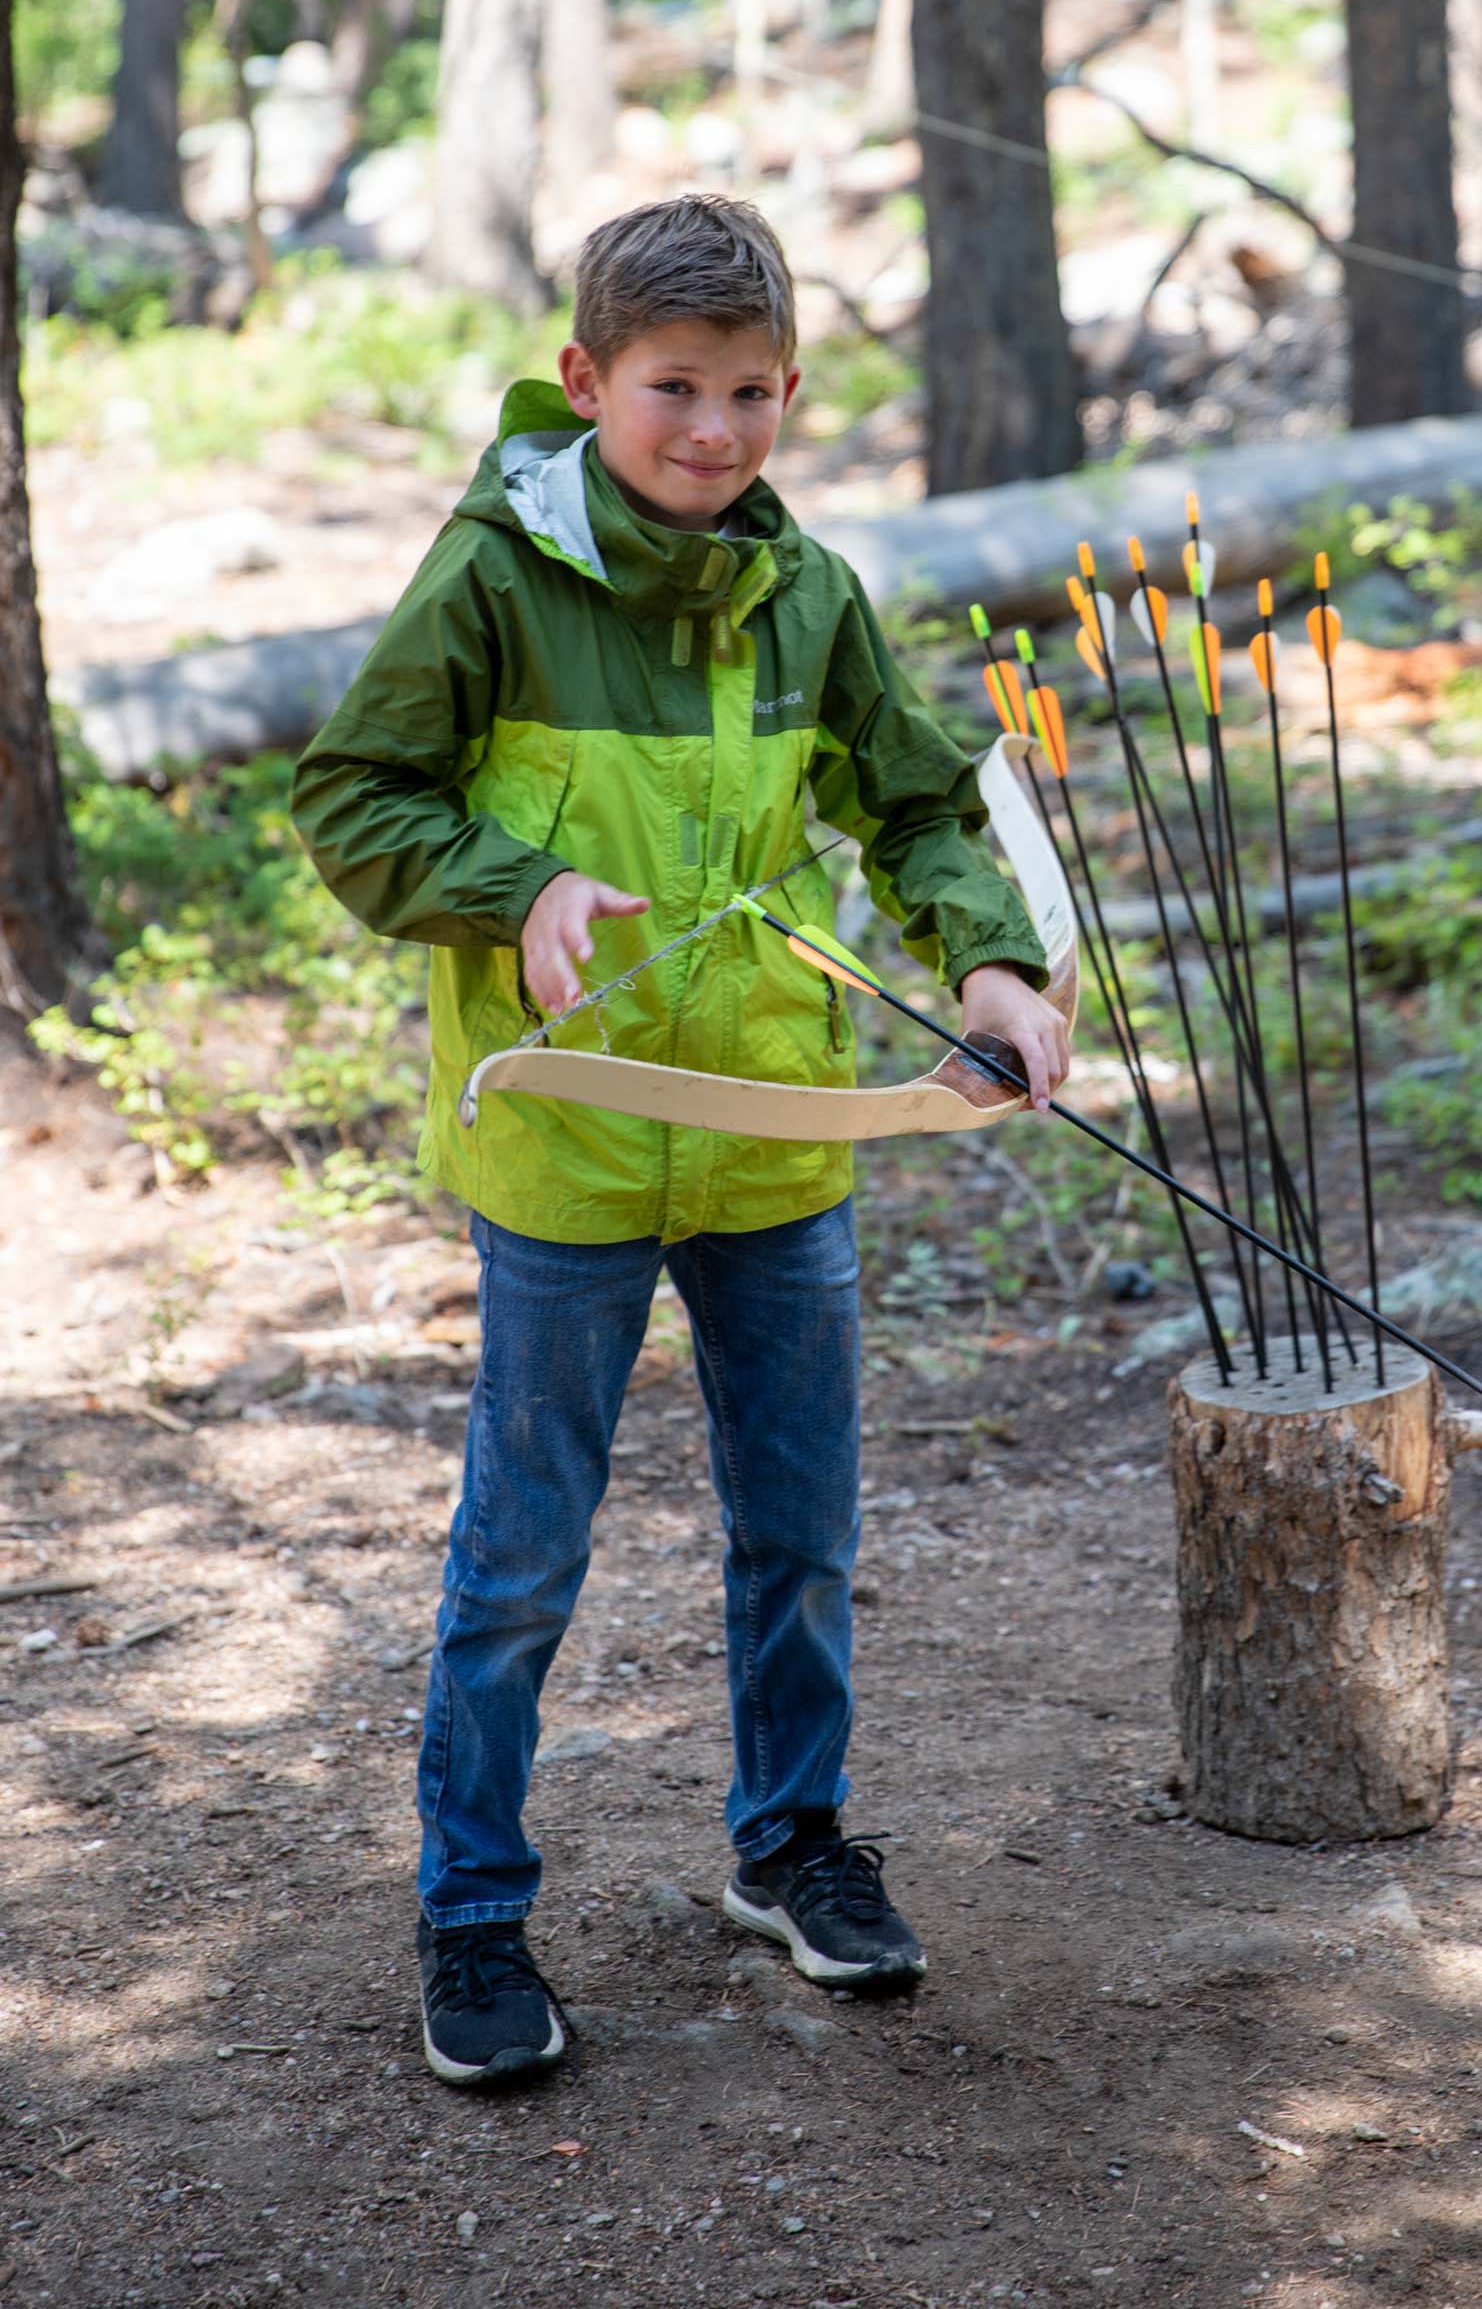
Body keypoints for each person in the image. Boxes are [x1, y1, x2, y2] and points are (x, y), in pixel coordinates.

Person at [291, 194, 1071, 2089]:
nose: (710, 432)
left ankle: (792, 1846)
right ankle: (472, 1917)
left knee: (798, 1531)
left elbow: (921, 805)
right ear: (585, 383)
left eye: (745, 392)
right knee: (522, 1558)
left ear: (790, 390)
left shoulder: (808, 595)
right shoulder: (494, 577)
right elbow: (353, 796)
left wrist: (993, 967)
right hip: (568, 1157)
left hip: (775, 1147)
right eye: (669, 390)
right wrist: (516, 881)